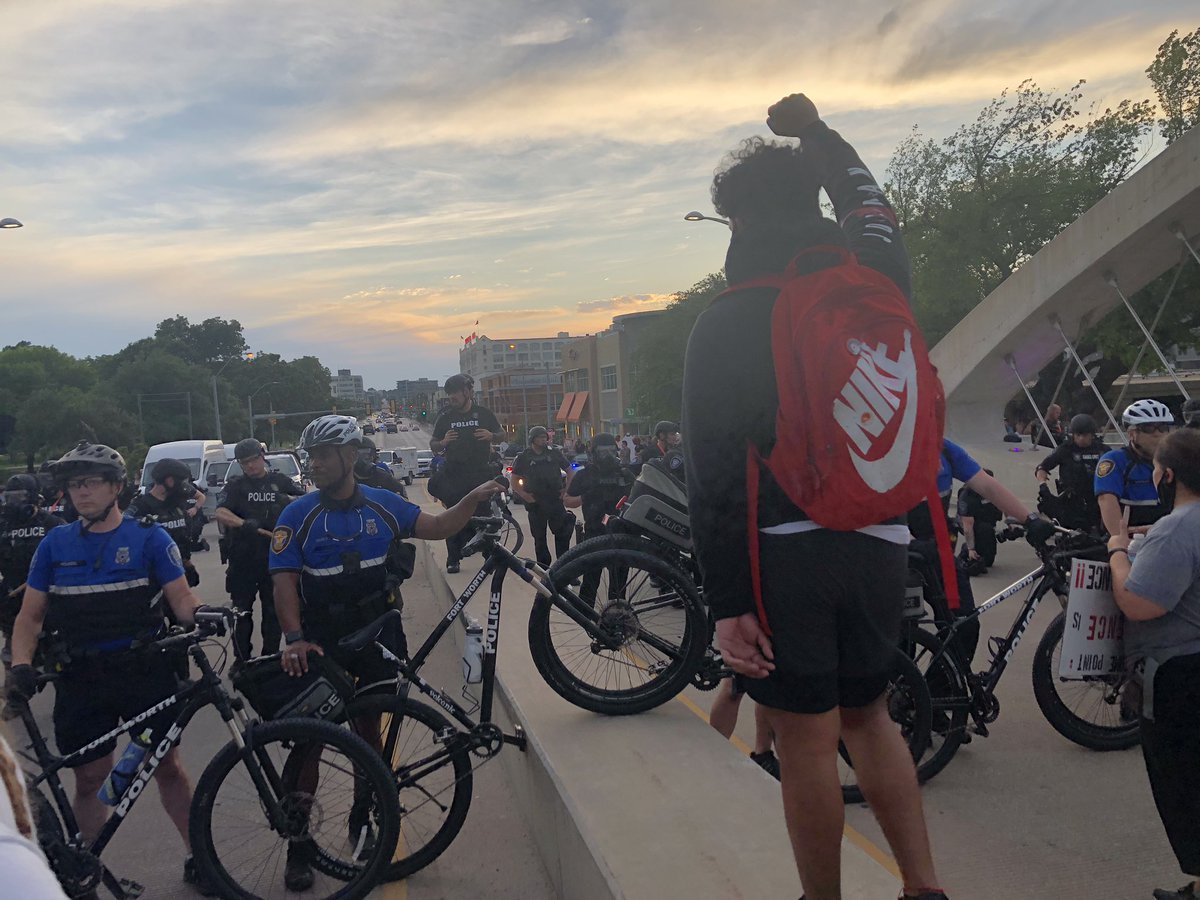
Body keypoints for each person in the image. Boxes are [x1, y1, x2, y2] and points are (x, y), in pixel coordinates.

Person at [682, 92, 945, 900]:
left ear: (736, 225)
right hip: (881, 533)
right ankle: (925, 889)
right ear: (809, 203)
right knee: (872, 717)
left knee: (806, 740)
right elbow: (868, 199)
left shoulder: (726, 322)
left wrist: (729, 604)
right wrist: (816, 133)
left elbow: (716, 477)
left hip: (783, 548)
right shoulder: (875, 272)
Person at [269, 415, 502, 889]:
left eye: (322, 456)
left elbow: (435, 527)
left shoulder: (383, 503)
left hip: (379, 635)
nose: (313, 465)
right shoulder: (298, 514)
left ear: (349, 457)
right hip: (323, 640)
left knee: (370, 735)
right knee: (310, 742)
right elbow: (284, 581)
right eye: (310, 457)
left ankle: (364, 822)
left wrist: (470, 501)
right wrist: (293, 638)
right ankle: (299, 843)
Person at [5, 442, 212, 890]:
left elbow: (181, 601)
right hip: (83, 678)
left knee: (167, 767)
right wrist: (21, 664)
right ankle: (86, 873)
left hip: (145, 673)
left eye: (92, 482)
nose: (82, 492)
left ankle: (202, 857)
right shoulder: (54, 545)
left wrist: (206, 617)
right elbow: (31, 617)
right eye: (74, 484)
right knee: (90, 779)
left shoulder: (150, 537)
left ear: (117, 487)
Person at [1104, 428, 1200, 900]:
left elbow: (1139, 603)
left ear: (1168, 475)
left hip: (1180, 676)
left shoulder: (1177, 528)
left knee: (1185, 784)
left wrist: (1118, 553)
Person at [909, 439, 1053, 664]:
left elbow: (987, 486)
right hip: (894, 553)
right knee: (896, 636)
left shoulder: (944, 449)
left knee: (963, 625)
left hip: (938, 554)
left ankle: (943, 692)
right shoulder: (880, 449)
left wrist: (1030, 519)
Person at [214, 438, 304, 659]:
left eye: (253, 460)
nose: (250, 466)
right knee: (241, 614)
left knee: (273, 613)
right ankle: (242, 661)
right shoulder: (235, 486)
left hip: (273, 559)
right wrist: (244, 524)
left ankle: (269, 658)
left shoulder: (280, 481)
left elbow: (305, 503)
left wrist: (286, 501)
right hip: (243, 560)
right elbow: (220, 513)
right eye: (244, 463)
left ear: (262, 457)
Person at [430, 374, 503, 574]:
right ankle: (453, 559)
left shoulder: (484, 414)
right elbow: (433, 445)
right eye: (449, 395)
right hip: (455, 475)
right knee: (454, 517)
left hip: (480, 473)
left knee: (485, 518)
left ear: (468, 392)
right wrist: (443, 442)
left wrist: (492, 436)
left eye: (455, 395)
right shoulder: (446, 417)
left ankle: (489, 558)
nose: (451, 399)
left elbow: (502, 434)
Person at [0, 476, 64, 665]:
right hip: (12, 601)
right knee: (16, 667)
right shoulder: (3, 526)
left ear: (36, 499)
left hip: (48, 600)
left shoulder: (53, 525)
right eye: (10, 498)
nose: (14, 503)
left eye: (20, 497)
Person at [1095, 399, 1175, 537]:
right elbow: (1106, 500)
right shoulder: (1115, 460)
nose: (1157, 434)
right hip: (1133, 540)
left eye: (1163, 428)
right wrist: (1121, 540)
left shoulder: (1176, 460)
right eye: (1148, 428)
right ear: (1132, 434)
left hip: (1169, 536)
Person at [125, 458, 203, 589]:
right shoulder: (141, 507)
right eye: (181, 482)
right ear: (169, 481)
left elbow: (181, 539)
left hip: (177, 573)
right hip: (153, 577)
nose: (184, 486)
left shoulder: (176, 504)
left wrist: (188, 564)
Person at [513, 426, 576, 567]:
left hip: (555, 500)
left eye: (544, 437)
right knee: (540, 540)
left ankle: (564, 569)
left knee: (563, 536)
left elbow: (570, 471)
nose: (543, 440)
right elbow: (514, 480)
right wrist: (524, 495)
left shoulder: (554, 453)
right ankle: (544, 570)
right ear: (532, 439)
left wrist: (566, 490)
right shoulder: (524, 457)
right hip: (536, 503)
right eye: (540, 437)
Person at [1034, 413, 1105, 532]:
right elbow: (1042, 467)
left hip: (1098, 499)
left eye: (1085, 435)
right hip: (1071, 502)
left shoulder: (1102, 450)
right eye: (1078, 435)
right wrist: (1043, 486)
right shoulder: (1066, 449)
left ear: (1092, 435)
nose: (1081, 438)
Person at [563, 433, 634, 542]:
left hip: (623, 532)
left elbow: (640, 498)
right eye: (604, 452)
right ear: (595, 453)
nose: (608, 455)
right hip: (594, 533)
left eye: (611, 451)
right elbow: (567, 501)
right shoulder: (585, 474)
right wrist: (586, 497)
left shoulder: (624, 474)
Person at [956, 469, 1003, 575]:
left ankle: (984, 544)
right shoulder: (967, 496)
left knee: (988, 562)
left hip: (986, 521)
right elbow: (968, 527)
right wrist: (971, 549)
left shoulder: (993, 489)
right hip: (968, 522)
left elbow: (1006, 503)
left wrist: (1011, 524)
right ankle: (966, 551)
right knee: (983, 530)